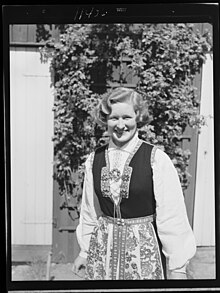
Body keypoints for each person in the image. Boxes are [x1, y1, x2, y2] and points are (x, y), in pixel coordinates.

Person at [72, 87, 196, 280]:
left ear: (137, 117)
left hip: (144, 257)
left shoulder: (156, 159)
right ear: (106, 120)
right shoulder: (94, 160)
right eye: (114, 118)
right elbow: (90, 211)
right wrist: (85, 251)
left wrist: (178, 267)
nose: (120, 125)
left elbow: (171, 216)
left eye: (127, 117)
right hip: (102, 255)